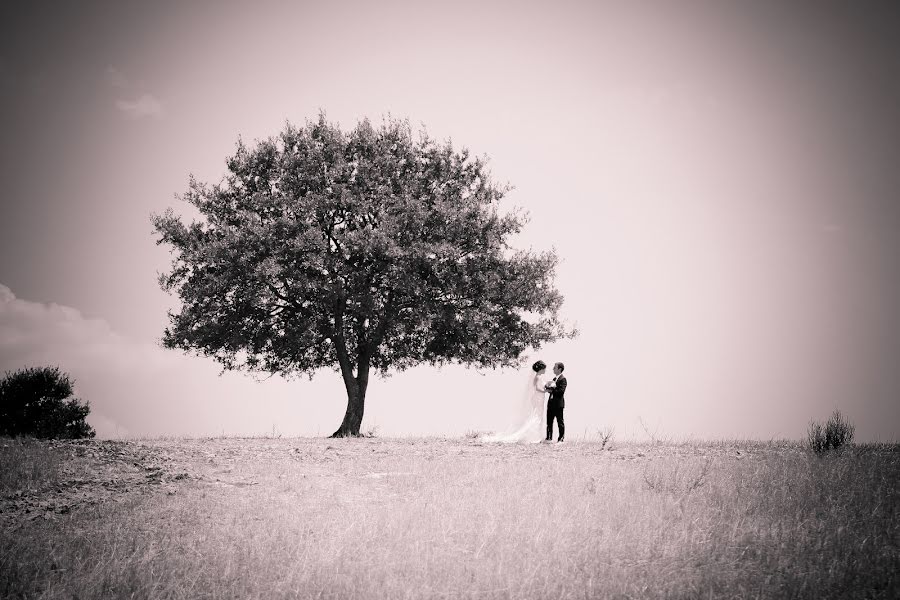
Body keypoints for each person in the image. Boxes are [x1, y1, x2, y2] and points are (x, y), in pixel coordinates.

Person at [481, 360, 549, 443]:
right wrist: (545, 391)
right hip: (537, 398)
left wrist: (546, 388)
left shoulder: (539, 377)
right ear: (541, 369)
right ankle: (532, 436)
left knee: (538, 415)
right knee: (536, 415)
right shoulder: (537, 377)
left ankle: (537, 436)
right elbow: (537, 388)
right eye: (544, 368)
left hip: (540, 398)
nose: (545, 370)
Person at [544, 362, 567, 443]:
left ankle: (561, 439)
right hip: (550, 404)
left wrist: (553, 389)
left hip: (558, 404)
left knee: (560, 422)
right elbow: (551, 391)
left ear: (559, 369)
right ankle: (548, 438)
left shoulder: (563, 379)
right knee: (549, 422)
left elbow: (561, 392)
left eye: (554, 367)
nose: (553, 369)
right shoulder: (554, 379)